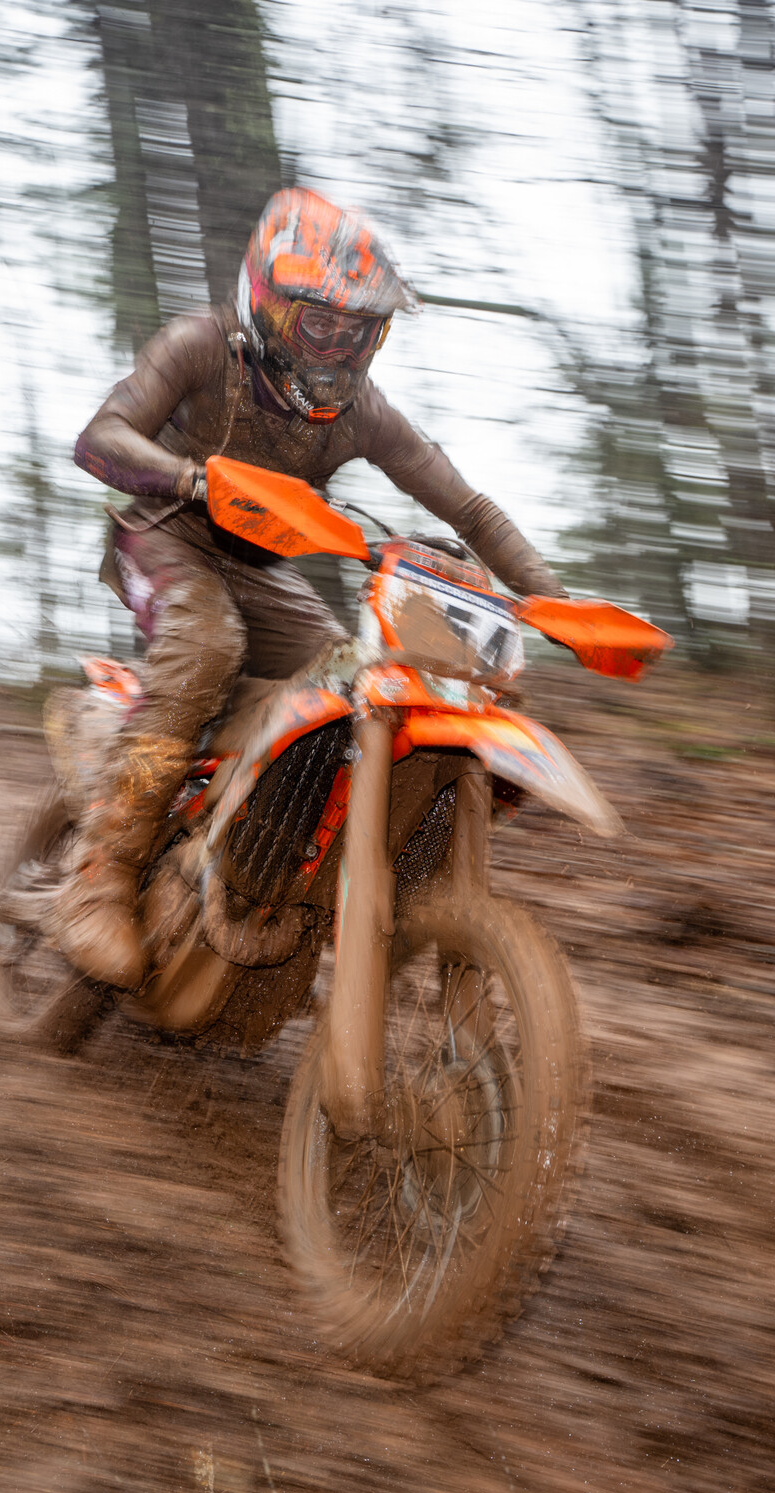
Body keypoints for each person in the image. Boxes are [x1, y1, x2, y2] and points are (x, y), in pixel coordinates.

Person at [51, 186, 567, 988]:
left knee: (348, 685)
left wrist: (554, 601)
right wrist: (196, 481)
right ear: (268, 303)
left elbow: (466, 507)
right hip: (166, 535)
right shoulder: (200, 346)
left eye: (357, 330)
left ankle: (264, 859)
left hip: (261, 567)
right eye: (319, 323)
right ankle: (101, 876)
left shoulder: (362, 411)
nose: (335, 347)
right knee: (205, 642)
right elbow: (100, 439)